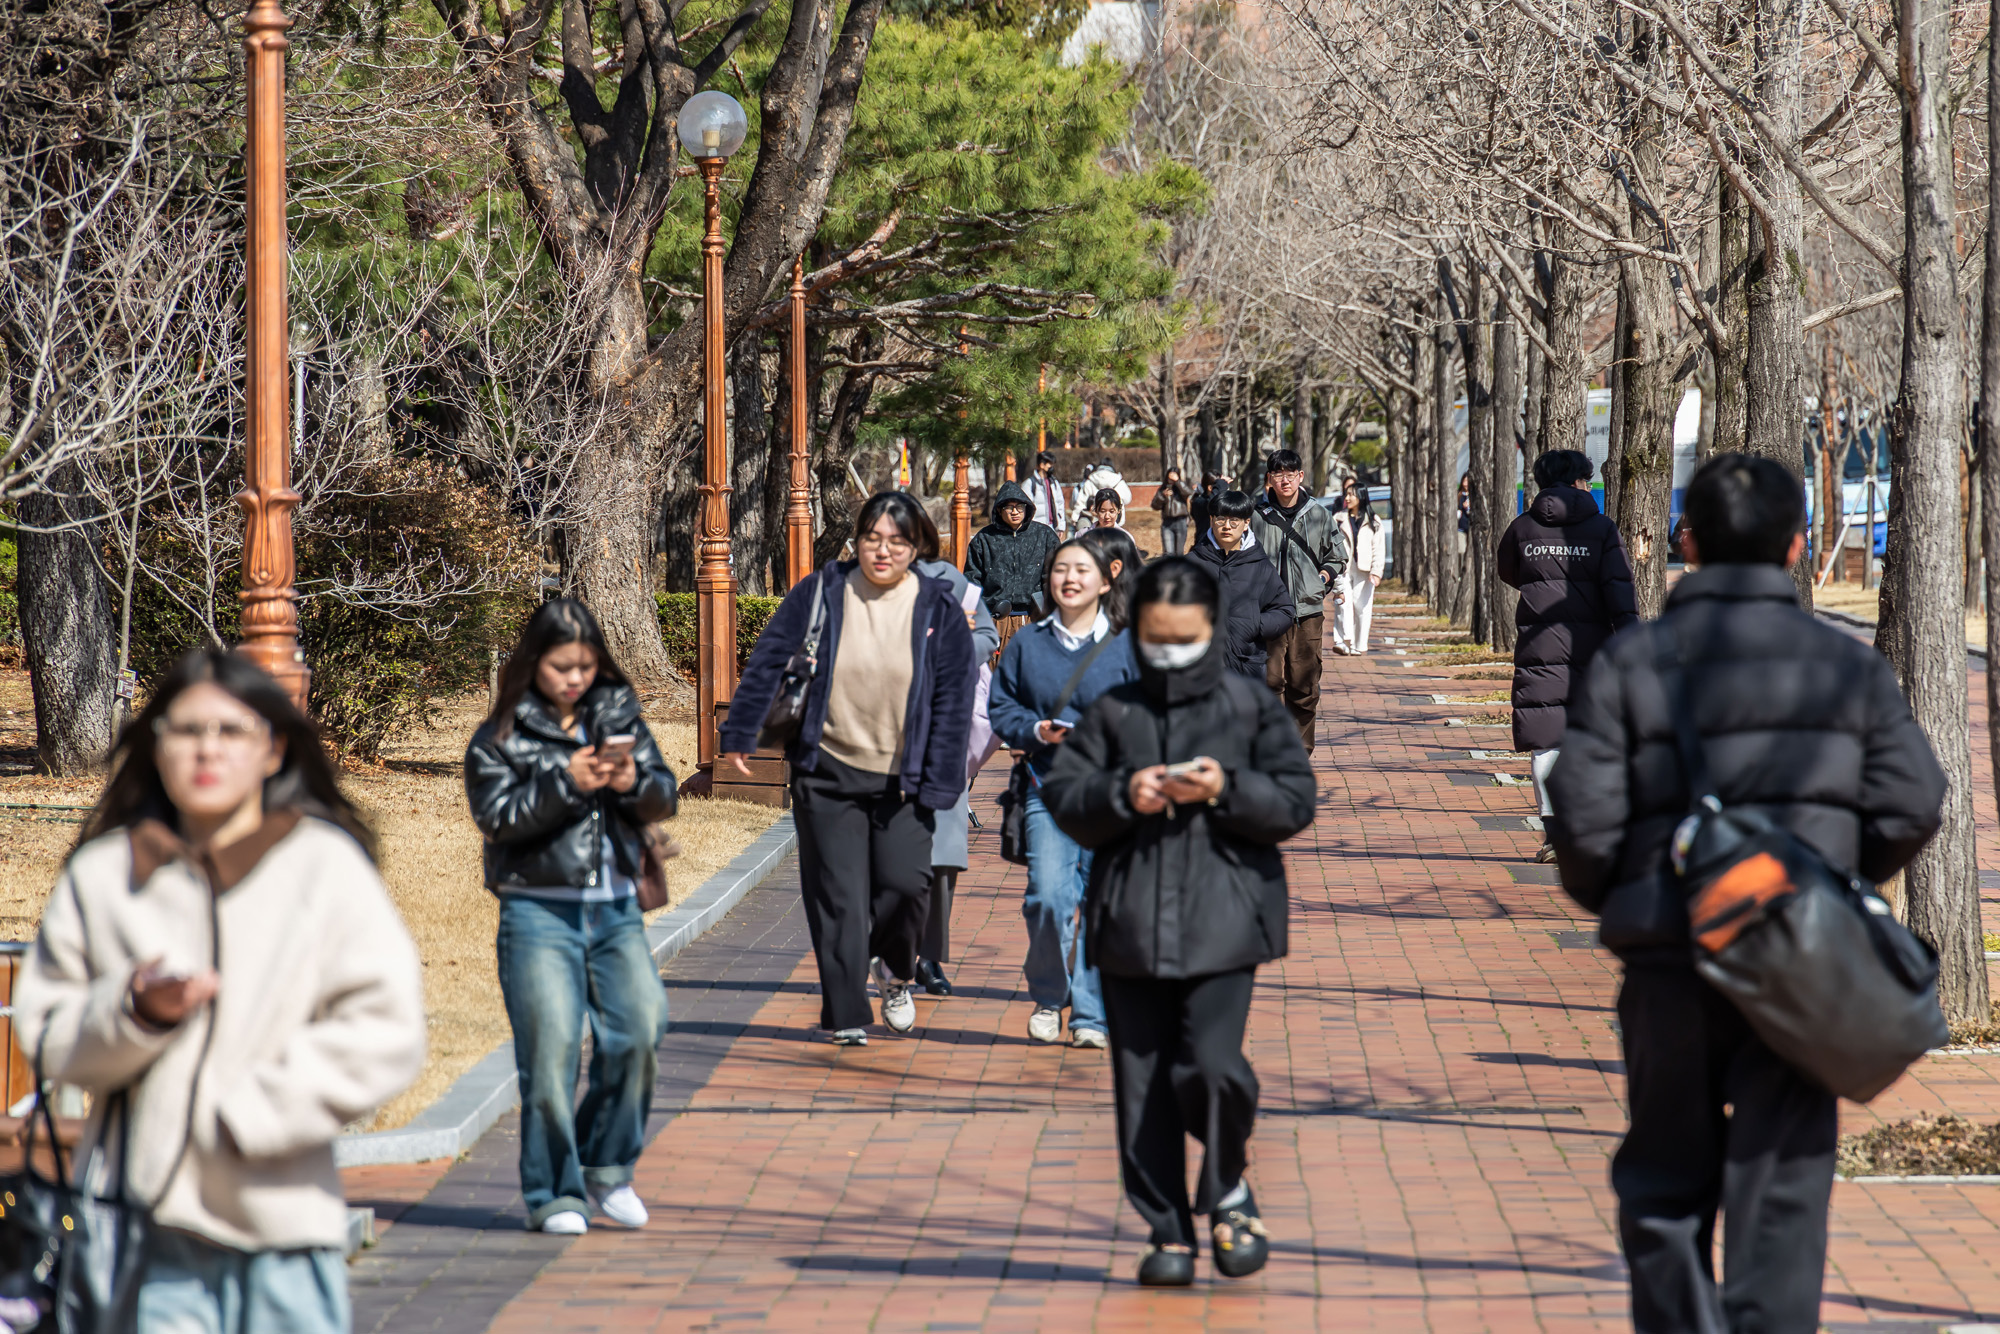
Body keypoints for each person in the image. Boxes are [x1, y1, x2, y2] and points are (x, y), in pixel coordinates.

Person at [1546, 452, 1947, 1334]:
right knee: (1784, 1189)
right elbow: (1914, 799)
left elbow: (1579, 819)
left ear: (1687, 541)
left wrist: (1639, 895)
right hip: (1802, 963)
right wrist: (1823, 886)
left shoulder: (1633, 663)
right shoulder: (1844, 666)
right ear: (1799, 546)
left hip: (1670, 959)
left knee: (1662, 1183)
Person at [15, 648, 426, 1329]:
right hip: (137, 1229)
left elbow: (387, 1029)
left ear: (273, 750)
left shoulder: (323, 866)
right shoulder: (105, 873)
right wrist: (135, 1012)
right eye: (186, 730)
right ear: (156, 745)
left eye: (232, 731)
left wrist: (253, 1115)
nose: (208, 750)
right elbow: (48, 1031)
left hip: (283, 1228)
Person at [1042, 557, 1316, 1287]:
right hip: (1129, 922)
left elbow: (1295, 800)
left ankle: (1226, 1185)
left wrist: (1226, 788)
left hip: (1228, 918)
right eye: (1154, 638)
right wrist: (1125, 792)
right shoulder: (1114, 710)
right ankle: (1167, 1231)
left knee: (1212, 1068)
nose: (1167, 652)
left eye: (1182, 637)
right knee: (1144, 1088)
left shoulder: (1249, 706)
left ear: (1209, 630)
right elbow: (1067, 796)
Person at [722, 493, 975, 1045]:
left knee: (906, 886)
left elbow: (954, 701)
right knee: (838, 895)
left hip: (903, 780)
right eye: (872, 538)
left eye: (897, 542)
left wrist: (943, 780)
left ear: (918, 547)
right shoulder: (822, 591)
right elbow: (769, 658)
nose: (882, 551)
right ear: (856, 539)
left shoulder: (937, 609)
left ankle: (894, 968)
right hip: (828, 769)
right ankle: (845, 1010)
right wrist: (741, 729)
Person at [465, 598, 677, 1234]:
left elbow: (664, 794)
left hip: (614, 909)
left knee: (641, 1029)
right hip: (538, 912)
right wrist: (569, 780)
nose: (575, 679)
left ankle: (607, 1166)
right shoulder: (501, 735)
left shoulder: (617, 714)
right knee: (552, 1050)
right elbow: (498, 818)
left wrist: (632, 779)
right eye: (561, 666)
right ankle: (554, 1193)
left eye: (585, 666)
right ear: (534, 663)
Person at [987, 539, 1139, 1049]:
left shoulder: (1128, 644)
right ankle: (1052, 996)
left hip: (1112, 795)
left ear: (1106, 579)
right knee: (1048, 898)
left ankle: (1091, 1017)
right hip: (1046, 789)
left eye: (1081, 570)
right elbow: (1002, 707)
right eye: (1060, 570)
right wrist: (1035, 731)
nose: (1069, 579)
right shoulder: (1028, 643)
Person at [1495, 448, 1637, 863]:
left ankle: (1554, 833)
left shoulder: (1522, 528)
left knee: (1546, 739)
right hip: (1595, 648)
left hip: (1540, 645)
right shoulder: (1602, 529)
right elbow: (1619, 591)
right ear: (1578, 482)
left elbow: (1510, 572)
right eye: (1587, 479)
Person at [911, 507, 1001, 997]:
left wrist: (949, 649)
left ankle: (929, 957)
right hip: (884, 738)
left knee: (944, 857)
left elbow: (985, 634)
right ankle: (892, 950)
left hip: (942, 732)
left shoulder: (949, 579)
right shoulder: (859, 588)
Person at [1250, 449, 1348, 750]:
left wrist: (1322, 579)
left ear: (1300, 476)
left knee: (1304, 685)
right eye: (1278, 474)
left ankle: (1300, 750)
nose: (1284, 480)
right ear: (1270, 478)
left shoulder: (1319, 514)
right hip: (1267, 612)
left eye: (1290, 474)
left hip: (1308, 611)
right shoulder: (1256, 515)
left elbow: (1337, 556)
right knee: (1269, 682)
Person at [1187, 490, 1293, 680]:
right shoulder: (1192, 563)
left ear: (1246, 524)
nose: (1227, 526)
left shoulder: (1260, 565)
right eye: (1220, 519)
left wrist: (1255, 624)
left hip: (1247, 665)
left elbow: (1284, 610)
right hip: (1200, 666)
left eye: (1234, 520)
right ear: (1211, 520)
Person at [965, 479, 1060, 651]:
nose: (1015, 512)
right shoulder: (984, 539)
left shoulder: (1044, 536)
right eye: (1009, 507)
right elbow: (973, 579)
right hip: (996, 619)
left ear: (1027, 508)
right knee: (996, 671)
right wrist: (977, 615)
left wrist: (1051, 609)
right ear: (999, 510)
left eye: (1020, 507)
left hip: (1034, 617)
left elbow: (1056, 576)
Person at [1334, 485, 1386, 655]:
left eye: (1351, 495)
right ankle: (1342, 641)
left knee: (1362, 607)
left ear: (1361, 497)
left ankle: (1358, 644)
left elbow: (1379, 549)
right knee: (1343, 604)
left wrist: (1376, 572)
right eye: (1346, 495)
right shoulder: (1338, 519)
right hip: (1344, 568)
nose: (1347, 498)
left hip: (1365, 569)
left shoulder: (1373, 521)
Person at [1070, 456, 1133, 531]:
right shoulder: (1118, 481)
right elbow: (1127, 499)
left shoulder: (1090, 480)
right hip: (1114, 522)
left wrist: (1074, 518)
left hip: (1092, 522)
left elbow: (1080, 502)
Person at [1025, 451, 1067, 539]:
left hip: (1053, 527)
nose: (1052, 467)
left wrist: (1061, 526)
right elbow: (1027, 508)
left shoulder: (1054, 483)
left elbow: (1060, 504)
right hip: (1037, 528)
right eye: (1050, 464)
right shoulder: (1030, 484)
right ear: (1042, 465)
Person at [1151, 466, 1191, 554]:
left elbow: (1188, 492)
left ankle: (1180, 568)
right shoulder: (1163, 489)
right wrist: (1162, 496)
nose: (1171, 480)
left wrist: (1178, 482)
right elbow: (1154, 506)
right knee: (1168, 552)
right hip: (1167, 523)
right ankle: (1169, 567)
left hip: (1181, 521)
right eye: (1169, 478)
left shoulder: (1181, 489)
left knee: (1179, 552)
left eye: (1173, 478)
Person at [1189, 471, 1229, 550]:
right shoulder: (1199, 502)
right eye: (1219, 488)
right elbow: (1212, 503)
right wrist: (1221, 483)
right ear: (1210, 488)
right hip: (1204, 546)